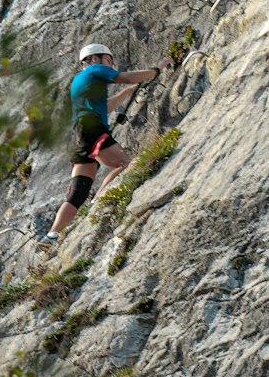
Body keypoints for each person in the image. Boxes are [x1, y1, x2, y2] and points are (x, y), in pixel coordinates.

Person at [40, 42, 174, 245]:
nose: (110, 66)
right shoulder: (95, 69)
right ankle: (98, 202)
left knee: (78, 192)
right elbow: (125, 76)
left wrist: (127, 93)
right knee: (126, 164)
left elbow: (106, 107)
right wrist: (158, 69)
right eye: (108, 61)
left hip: (82, 133)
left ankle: (51, 235)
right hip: (93, 129)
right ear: (95, 59)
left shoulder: (81, 81)